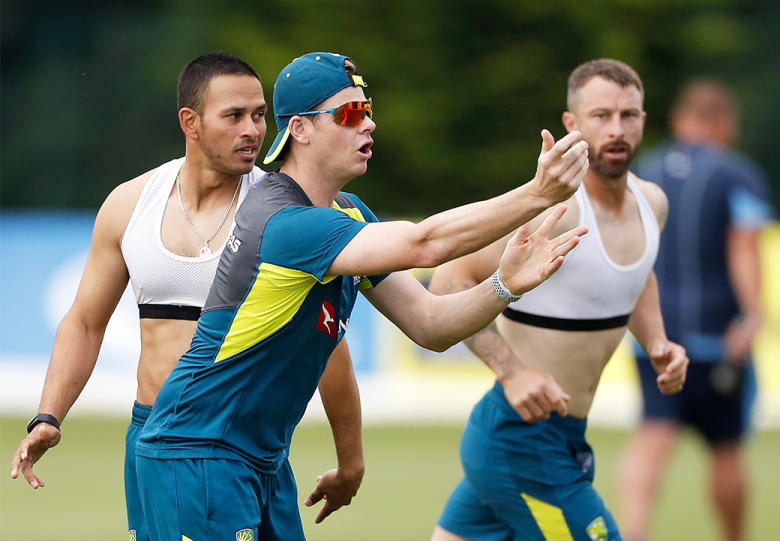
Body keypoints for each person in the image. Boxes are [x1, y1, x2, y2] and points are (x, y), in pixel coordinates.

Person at [133, 51, 590, 540]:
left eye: (368, 110)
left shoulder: (347, 212)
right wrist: (538, 194)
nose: (368, 124)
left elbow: (430, 325)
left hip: (261, 461)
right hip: (197, 451)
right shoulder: (286, 222)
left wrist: (503, 285)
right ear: (301, 130)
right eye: (349, 114)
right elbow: (425, 244)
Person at [6, 51, 358, 540]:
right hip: (163, 440)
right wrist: (49, 415)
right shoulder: (131, 204)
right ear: (190, 122)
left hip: (251, 443)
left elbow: (327, 343)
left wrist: (351, 460)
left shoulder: (283, 212)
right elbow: (86, 321)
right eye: (234, 116)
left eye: (259, 115)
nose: (253, 130)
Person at [428, 58, 689, 541]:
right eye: (601, 116)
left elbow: (638, 275)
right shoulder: (556, 211)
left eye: (628, 115)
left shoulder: (653, 204)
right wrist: (513, 372)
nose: (616, 129)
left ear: (644, 122)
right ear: (572, 124)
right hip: (519, 435)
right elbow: (447, 280)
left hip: (563, 437)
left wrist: (658, 343)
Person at [617, 79, 774, 541]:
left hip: (653, 333)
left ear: (680, 120)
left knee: (653, 434)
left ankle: (635, 532)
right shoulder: (736, 174)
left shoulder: (643, 169)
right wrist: (752, 315)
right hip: (715, 338)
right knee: (725, 449)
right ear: (723, 124)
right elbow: (744, 248)